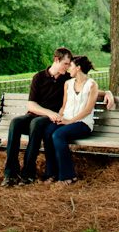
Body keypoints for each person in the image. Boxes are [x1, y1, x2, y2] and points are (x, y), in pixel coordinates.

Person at [1, 48, 113, 187]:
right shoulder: (39, 77)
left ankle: (28, 173)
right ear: (56, 60)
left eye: (69, 65)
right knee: (16, 123)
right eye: (65, 64)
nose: (67, 68)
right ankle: (10, 173)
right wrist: (49, 113)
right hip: (43, 114)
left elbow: (86, 87)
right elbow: (30, 105)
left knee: (37, 124)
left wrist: (107, 92)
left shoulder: (67, 78)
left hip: (53, 119)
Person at [42, 55, 98, 185]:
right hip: (66, 120)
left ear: (78, 68)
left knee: (58, 135)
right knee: (48, 131)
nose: (68, 70)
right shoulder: (68, 84)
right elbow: (64, 105)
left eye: (70, 66)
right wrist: (59, 117)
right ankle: (51, 173)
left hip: (82, 124)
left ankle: (67, 176)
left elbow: (88, 110)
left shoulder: (91, 85)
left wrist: (69, 121)